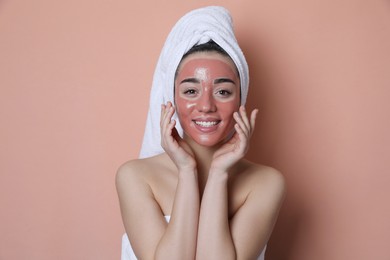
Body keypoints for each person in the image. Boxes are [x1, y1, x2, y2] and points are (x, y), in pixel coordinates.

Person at [116, 6, 285, 260]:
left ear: (242, 99)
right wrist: (187, 170)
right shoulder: (135, 177)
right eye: (191, 91)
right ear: (171, 98)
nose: (206, 106)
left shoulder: (266, 183)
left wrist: (219, 173)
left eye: (223, 91)